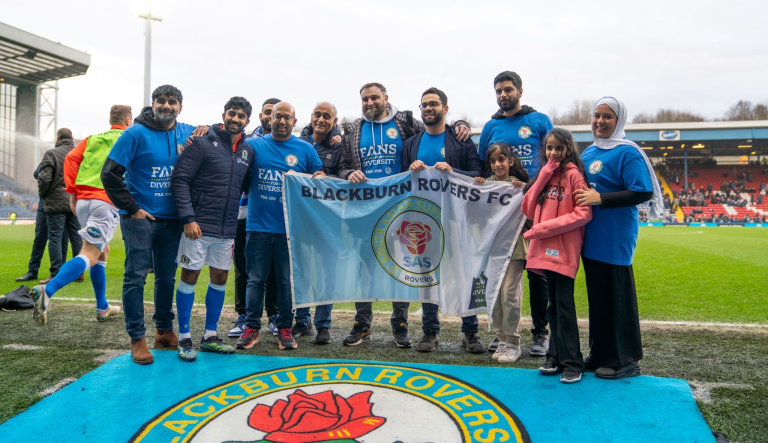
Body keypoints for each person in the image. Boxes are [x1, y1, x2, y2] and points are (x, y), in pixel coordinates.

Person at [338, 82, 471, 347]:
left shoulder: (406, 122)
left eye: (375, 97)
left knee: (401, 267)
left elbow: (435, 126)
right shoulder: (353, 130)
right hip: (364, 210)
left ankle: (400, 326)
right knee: (366, 269)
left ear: (386, 98)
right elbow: (341, 166)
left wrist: (461, 123)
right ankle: (362, 325)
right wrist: (346, 173)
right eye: (365, 99)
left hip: (402, 210)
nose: (370, 103)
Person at [102, 85, 200, 365]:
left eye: (172, 102)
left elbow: (216, 135)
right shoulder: (134, 133)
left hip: (172, 220)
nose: (166, 106)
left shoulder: (188, 132)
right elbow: (109, 174)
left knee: (167, 277)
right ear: (153, 104)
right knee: (136, 276)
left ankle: (164, 330)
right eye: (161, 101)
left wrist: (207, 128)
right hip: (140, 220)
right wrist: (133, 209)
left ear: (180, 107)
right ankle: (137, 338)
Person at [574, 97, 662, 380]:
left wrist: (601, 198)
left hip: (616, 236)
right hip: (591, 236)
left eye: (607, 117)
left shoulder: (628, 152)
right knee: (598, 298)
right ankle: (599, 353)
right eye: (596, 116)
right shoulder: (587, 153)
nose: (600, 121)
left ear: (619, 120)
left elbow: (642, 191)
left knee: (618, 298)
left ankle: (626, 360)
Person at [31, 106, 132, 325]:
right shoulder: (129, 136)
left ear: (110, 119)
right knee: (91, 252)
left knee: (102, 250)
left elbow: (70, 159)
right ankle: (47, 290)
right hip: (105, 201)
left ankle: (102, 307)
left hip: (84, 201)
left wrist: (73, 192)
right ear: (127, 120)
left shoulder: (91, 139)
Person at [170, 97, 254, 361]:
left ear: (247, 122)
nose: (235, 119)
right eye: (232, 114)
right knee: (190, 277)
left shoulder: (247, 152)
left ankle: (209, 336)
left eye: (241, 116)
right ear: (224, 114)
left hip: (226, 230)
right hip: (197, 226)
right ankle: (184, 337)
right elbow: (180, 179)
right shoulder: (203, 143)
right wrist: (187, 218)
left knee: (219, 279)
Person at [402, 87, 484, 353]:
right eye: (424, 105)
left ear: (445, 109)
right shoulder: (411, 143)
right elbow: (402, 181)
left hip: (455, 221)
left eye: (433, 104)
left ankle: (470, 332)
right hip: (423, 223)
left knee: (463, 275)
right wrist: (410, 170)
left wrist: (453, 171)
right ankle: (429, 332)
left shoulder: (460, 141)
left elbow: (476, 175)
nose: (428, 108)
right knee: (427, 279)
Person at [477, 71, 554, 356]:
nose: (502, 95)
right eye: (498, 91)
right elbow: (482, 167)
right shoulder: (490, 126)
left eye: (508, 90)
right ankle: (504, 335)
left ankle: (540, 333)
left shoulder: (538, 121)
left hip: (537, 209)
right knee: (501, 279)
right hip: (503, 216)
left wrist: (538, 191)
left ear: (520, 91)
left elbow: (553, 157)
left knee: (538, 276)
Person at [238, 101, 325, 351]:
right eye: (277, 116)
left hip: (290, 228)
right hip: (258, 225)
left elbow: (318, 179)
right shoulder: (253, 145)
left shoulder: (305, 150)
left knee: (287, 282)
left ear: (294, 121)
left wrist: (319, 177)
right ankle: (251, 328)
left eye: (287, 117)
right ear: (269, 119)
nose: (282, 121)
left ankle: (285, 328)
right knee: (255, 280)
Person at [522, 128, 592, 384]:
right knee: (552, 306)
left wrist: (540, 229)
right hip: (542, 250)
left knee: (564, 306)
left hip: (563, 250)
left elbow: (584, 214)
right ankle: (555, 356)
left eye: (558, 148)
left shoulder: (575, 176)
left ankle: (573, 361)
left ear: (569, 149)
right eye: (549, 148)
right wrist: (543, 175)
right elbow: (527, 207)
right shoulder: (546, 174)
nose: (553, 153)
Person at [231, 98, 283, 339]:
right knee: (244, 268)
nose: (271, 116)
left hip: (272, 216)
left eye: (275, 112)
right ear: (263, 116)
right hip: (244, 214)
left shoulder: (287, 142)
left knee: (272, 270)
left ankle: (273, 314)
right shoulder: (248, 142)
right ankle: (243, 315)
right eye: (267, 112)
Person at [293, 102, 344, 345]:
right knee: (301, 272)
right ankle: (302, 321)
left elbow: (346, 174)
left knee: (327, 274)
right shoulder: (298, 144)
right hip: (301, 219)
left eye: (327, 116)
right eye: (317, 114)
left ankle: (324, 325)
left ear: (335, 122)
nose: (321, 119)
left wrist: (329, 178)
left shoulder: (341, 146)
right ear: (310, 117)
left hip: (329, 221)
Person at [474, 142, 529, 363]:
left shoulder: (519, 187)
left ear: (511, 161)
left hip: (514, 249)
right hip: (491, 250)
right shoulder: (485, 186)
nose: (498, 164)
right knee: (493, 296)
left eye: (502, 159)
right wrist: (476, 187)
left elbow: (530, 216)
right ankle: (501, 339)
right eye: (493, 160)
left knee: (508, 295)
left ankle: (513, 342)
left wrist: (522, 190)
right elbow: (474, 215)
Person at [36, 128, 83, 285]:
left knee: (55, 237)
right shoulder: (79, 153)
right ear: (72, 138)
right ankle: (79, 272)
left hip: (56, 201)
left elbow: (43, 178)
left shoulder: (51, 154)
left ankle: (55, 273)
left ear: (57, 139)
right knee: (76, 236)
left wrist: (44, 194)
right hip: (75, 201)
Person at [16, 165, 69, 282]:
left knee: (61, 239)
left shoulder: (69, 157)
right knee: (40, 238)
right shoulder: (49, 157)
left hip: (62, 204)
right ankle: (32, 271)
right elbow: (36, 174)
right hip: (45, 204)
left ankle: (60, 272)